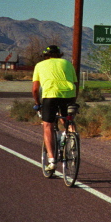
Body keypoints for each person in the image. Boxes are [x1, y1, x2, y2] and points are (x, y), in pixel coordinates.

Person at [32, 45, 78, 173]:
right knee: (67, 119)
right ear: (59, 54)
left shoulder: (40, 65)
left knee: (48, 125)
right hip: (69, 95)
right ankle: (73, 135)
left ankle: (52, 161)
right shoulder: (68, 64)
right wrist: (73, 100)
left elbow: (35, 89)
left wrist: (37, 103)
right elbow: (75, 84)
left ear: (46, 56)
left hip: (50, 96)